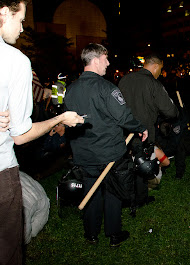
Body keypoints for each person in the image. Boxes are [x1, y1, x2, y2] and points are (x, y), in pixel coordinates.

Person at [0, 1, 84, 263]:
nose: (23, 27)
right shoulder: (14, 60)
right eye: (21, 19)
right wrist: (60, 118)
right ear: (3, 11)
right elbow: (21, 134)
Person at [64, 43, 148, 247]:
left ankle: (91, 234)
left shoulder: (70, 90)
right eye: (105, 58)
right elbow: (123, 116)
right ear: (95, 60)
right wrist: (140, 127)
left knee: (90, 191)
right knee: (114, 191)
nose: (108, 63)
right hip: (109, 153)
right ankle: (113, 234)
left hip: (84, 154)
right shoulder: (106, 88)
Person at [118, 53, 178, 206]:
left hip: (124, 130)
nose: (160, 73)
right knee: (142, 164)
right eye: (160, 69)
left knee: (126, 163)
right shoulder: (153, 83)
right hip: (144, 131)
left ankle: (128, 195)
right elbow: (170, 110)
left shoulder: (125, 80)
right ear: (155, 66)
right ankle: (139, 198)